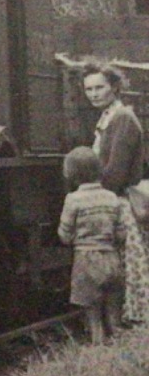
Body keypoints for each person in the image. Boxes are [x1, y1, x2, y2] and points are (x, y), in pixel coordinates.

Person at [81, 61, 148, 324]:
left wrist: (93, 196)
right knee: (121, 268)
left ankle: (134, 323)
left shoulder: (122, 119)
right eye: (89, 89)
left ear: (115, 88)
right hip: (113, 200)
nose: (94, 94)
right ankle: (122, 323)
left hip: (121, 203)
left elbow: (116, 172)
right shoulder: (109, 118)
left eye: (99, 87)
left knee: (128, 268)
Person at [58, 147, 125, 343]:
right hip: (112, 260)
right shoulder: (112, 198)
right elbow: (121, 234)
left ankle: (98, 350)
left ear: (71, 174)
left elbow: (64, 235)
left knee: (94, 318)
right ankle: (121, 352)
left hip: (86, 262)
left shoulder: (73, 200)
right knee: (114, 315)